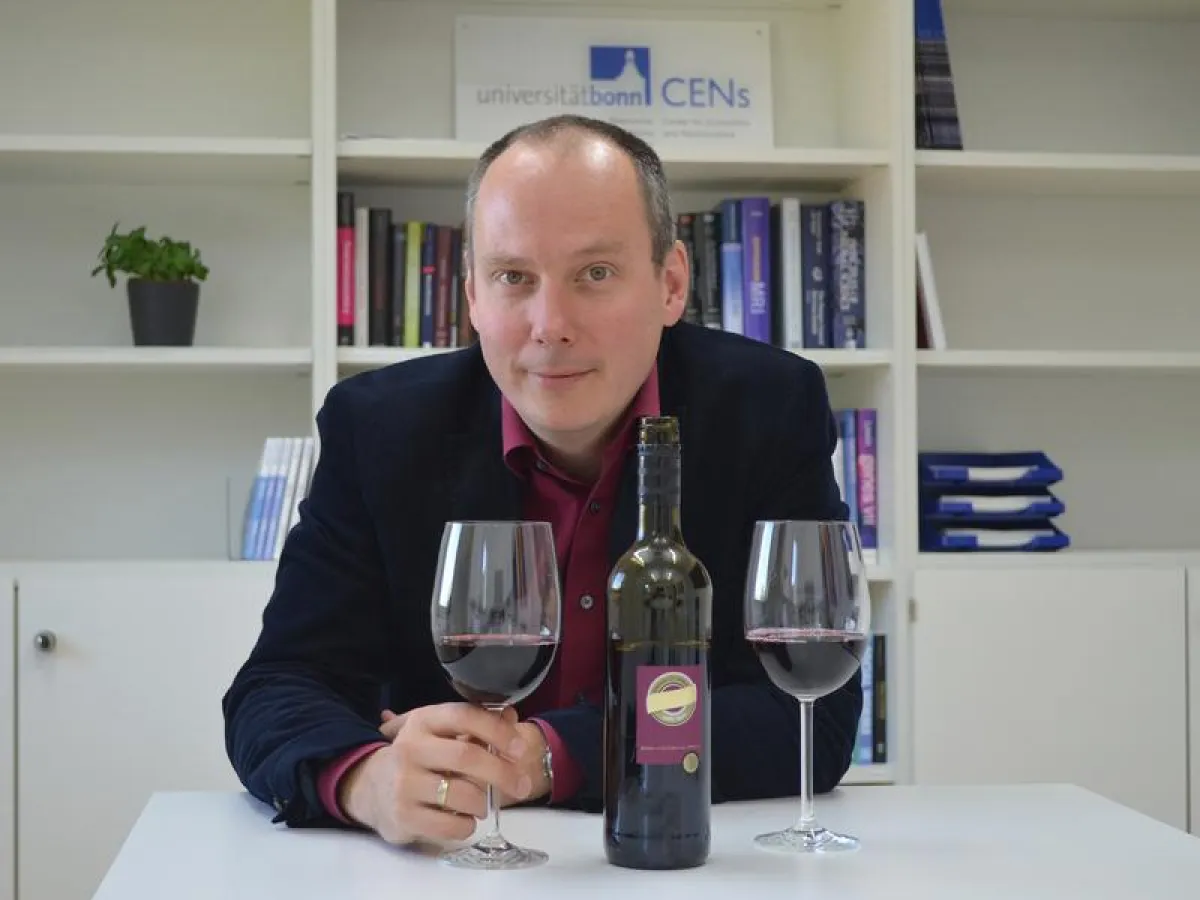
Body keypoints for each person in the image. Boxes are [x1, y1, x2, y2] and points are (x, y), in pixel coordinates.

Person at [222, 113, 862, 847]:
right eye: (513, 278)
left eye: (594, 273)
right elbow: (276, 689)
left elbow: (813, 715)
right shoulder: (378, 430)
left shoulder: (767, 409)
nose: (549, 323)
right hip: (445, 871)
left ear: (671, 283)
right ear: (471, 296)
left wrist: (552, 757)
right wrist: (367, 779)